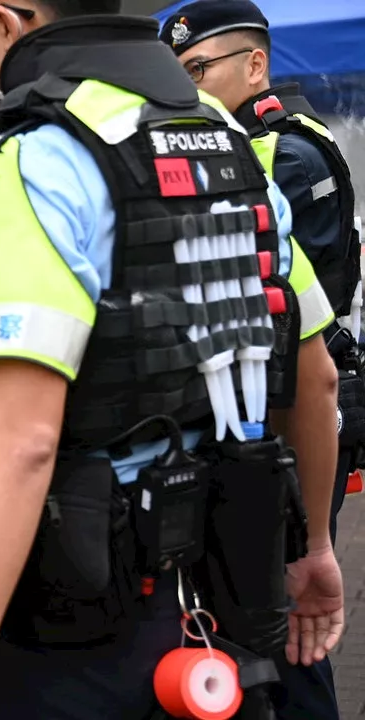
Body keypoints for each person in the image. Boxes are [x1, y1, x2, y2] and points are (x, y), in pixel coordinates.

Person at [0, 2, 345, 719]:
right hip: (229, 596)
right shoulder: (226, 135)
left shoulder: (26, 162)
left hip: (79, 623)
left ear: (9, 19)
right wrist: (316, 547)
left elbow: (22, 440)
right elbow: (314, 375)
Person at [160, 3, 360, 717]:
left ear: (254, 65)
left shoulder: (277, 154)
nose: (187, 89)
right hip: (281, 402)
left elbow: (277, 318)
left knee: (287, 618)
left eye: (197, 71)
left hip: (294, 406)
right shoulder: (266, 141)